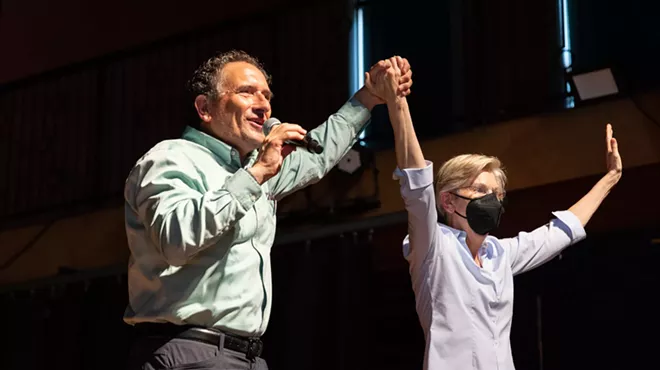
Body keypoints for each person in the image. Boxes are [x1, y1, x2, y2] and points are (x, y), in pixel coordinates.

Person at [123, 50, 412, 370]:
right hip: (189, 351)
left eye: (267, 95)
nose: (263, 105)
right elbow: (175, 240)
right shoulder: (171, 157)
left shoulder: (257, 168)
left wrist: (369, 96)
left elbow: (317, 156)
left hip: (246, 356)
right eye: (246, 92)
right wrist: (257, 172)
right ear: (205, 108)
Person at [365, 58, 623, 370]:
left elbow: (561, 231)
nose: (490, 200)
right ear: (448, 202)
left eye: (495, 194)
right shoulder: (433, 247)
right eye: (478, 190)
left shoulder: (501, 254)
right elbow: (418, 186)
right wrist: (397, 103)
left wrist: (610, 179)